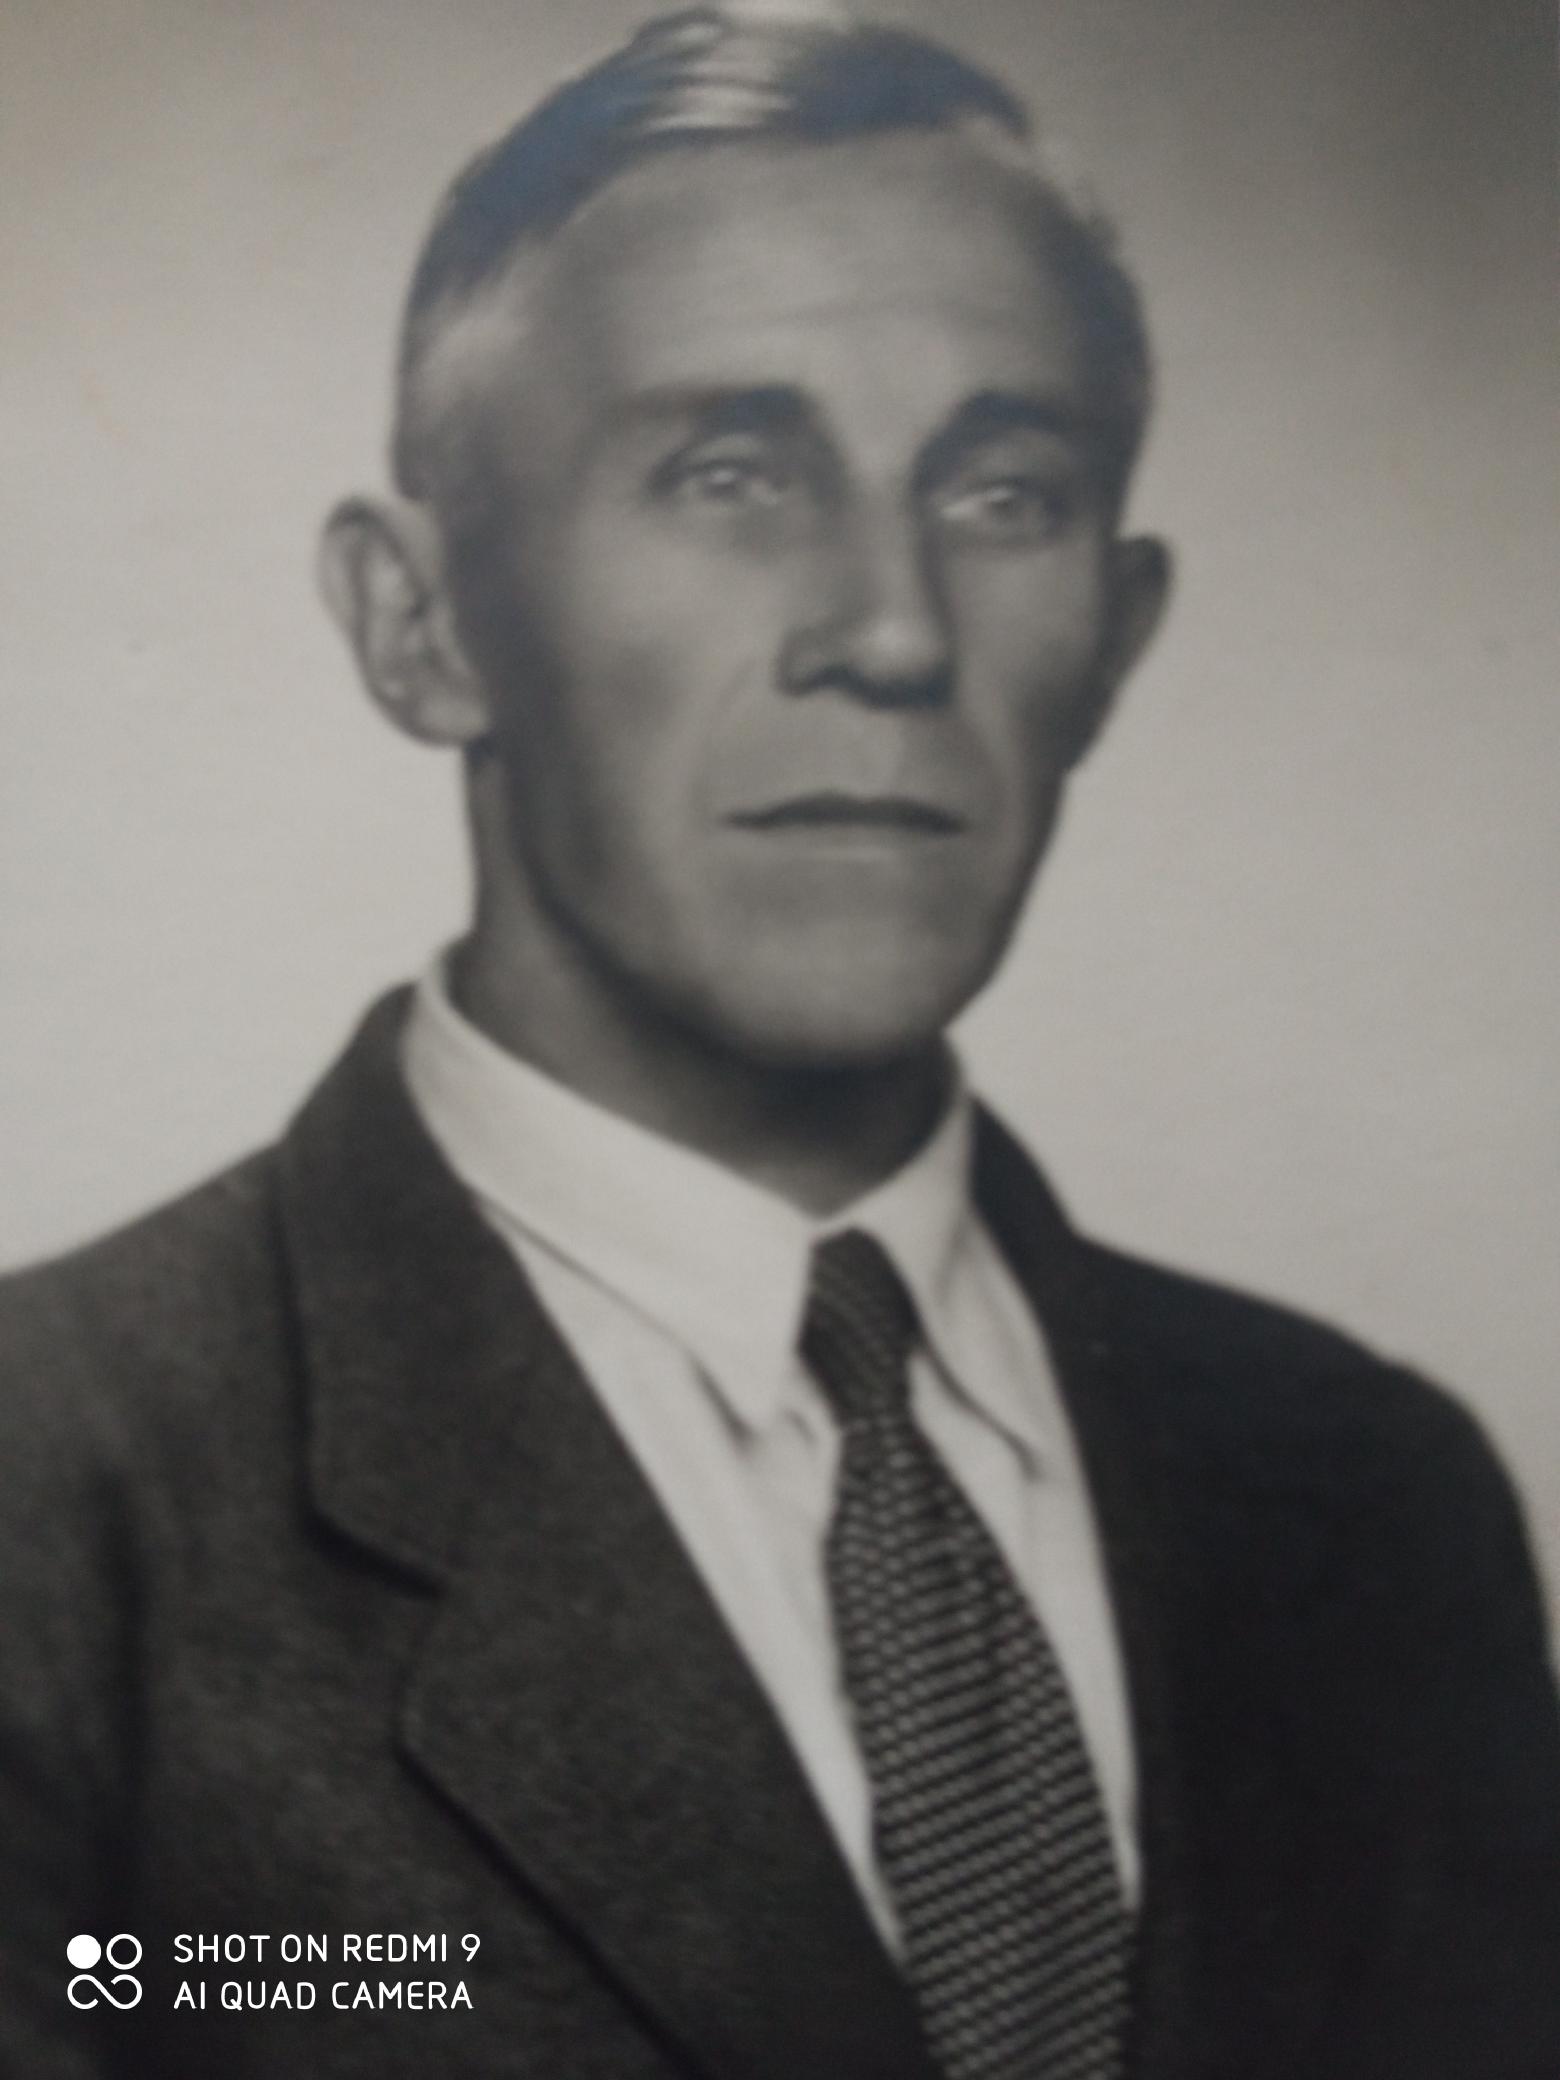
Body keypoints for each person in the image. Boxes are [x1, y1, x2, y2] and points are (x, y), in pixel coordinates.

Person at [2, 10, 1556, 2078]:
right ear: (421, 623)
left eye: (1004, 492)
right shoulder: (53, 1495)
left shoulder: (1370, 1496)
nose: (894, 629)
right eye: (728, 475)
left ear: (1117, 636)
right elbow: (164, 1992)